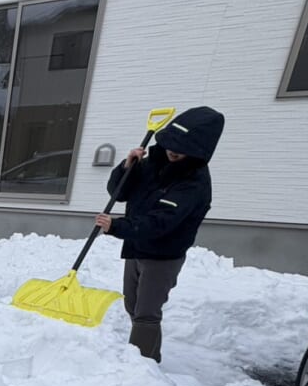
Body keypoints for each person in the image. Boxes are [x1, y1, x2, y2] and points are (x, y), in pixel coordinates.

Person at [93, 106, 225, 362]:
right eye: (170, 144)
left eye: (181, 149)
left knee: (146, 314)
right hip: (137, 246)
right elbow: (118, 193)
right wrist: (126, 167)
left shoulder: (194, 184)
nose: (172, 151)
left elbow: (160, 223)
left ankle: (139, 368)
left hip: (163, 256)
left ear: (198, 151)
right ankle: (150, 358)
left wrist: (117, 227)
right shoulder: (152, 163)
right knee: (132, 304)